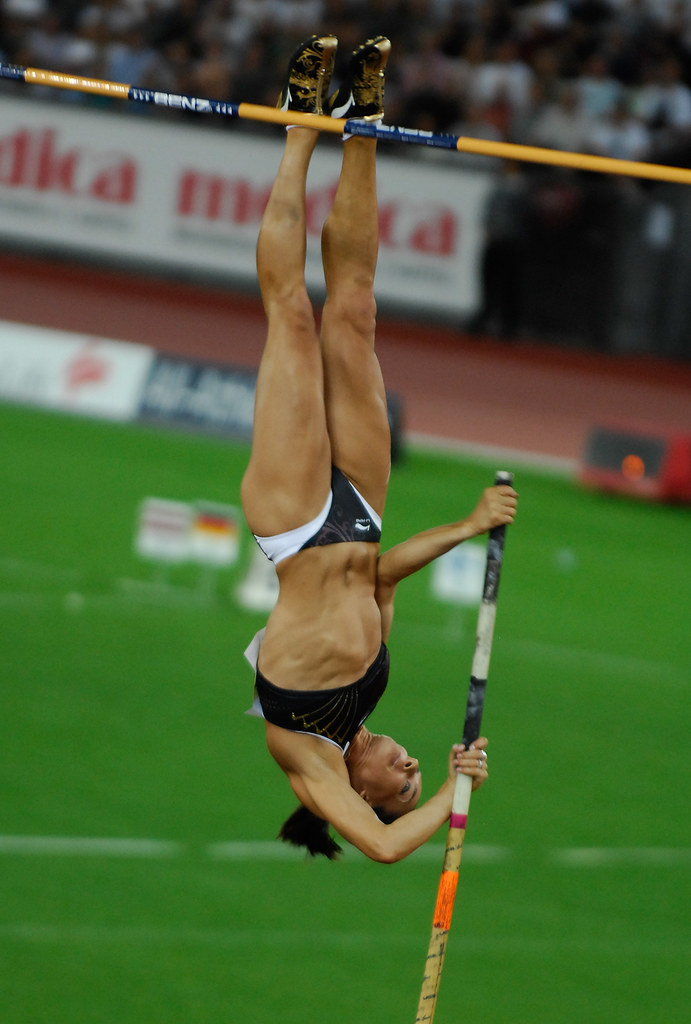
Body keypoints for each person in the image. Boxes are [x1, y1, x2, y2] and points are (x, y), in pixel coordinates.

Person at [242, 34, 518, 862]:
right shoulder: (369, 690)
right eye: (411, 774)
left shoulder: (305, 763)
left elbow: (387, 849)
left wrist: (446, 795)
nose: (404, 764)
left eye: (395, 781)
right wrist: (468, 526)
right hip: (360, 516)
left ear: (360, 795)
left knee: (291, 314)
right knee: (354, 310)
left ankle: (298, 132)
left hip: (293, 524)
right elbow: (384, 574)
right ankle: (364, 123)